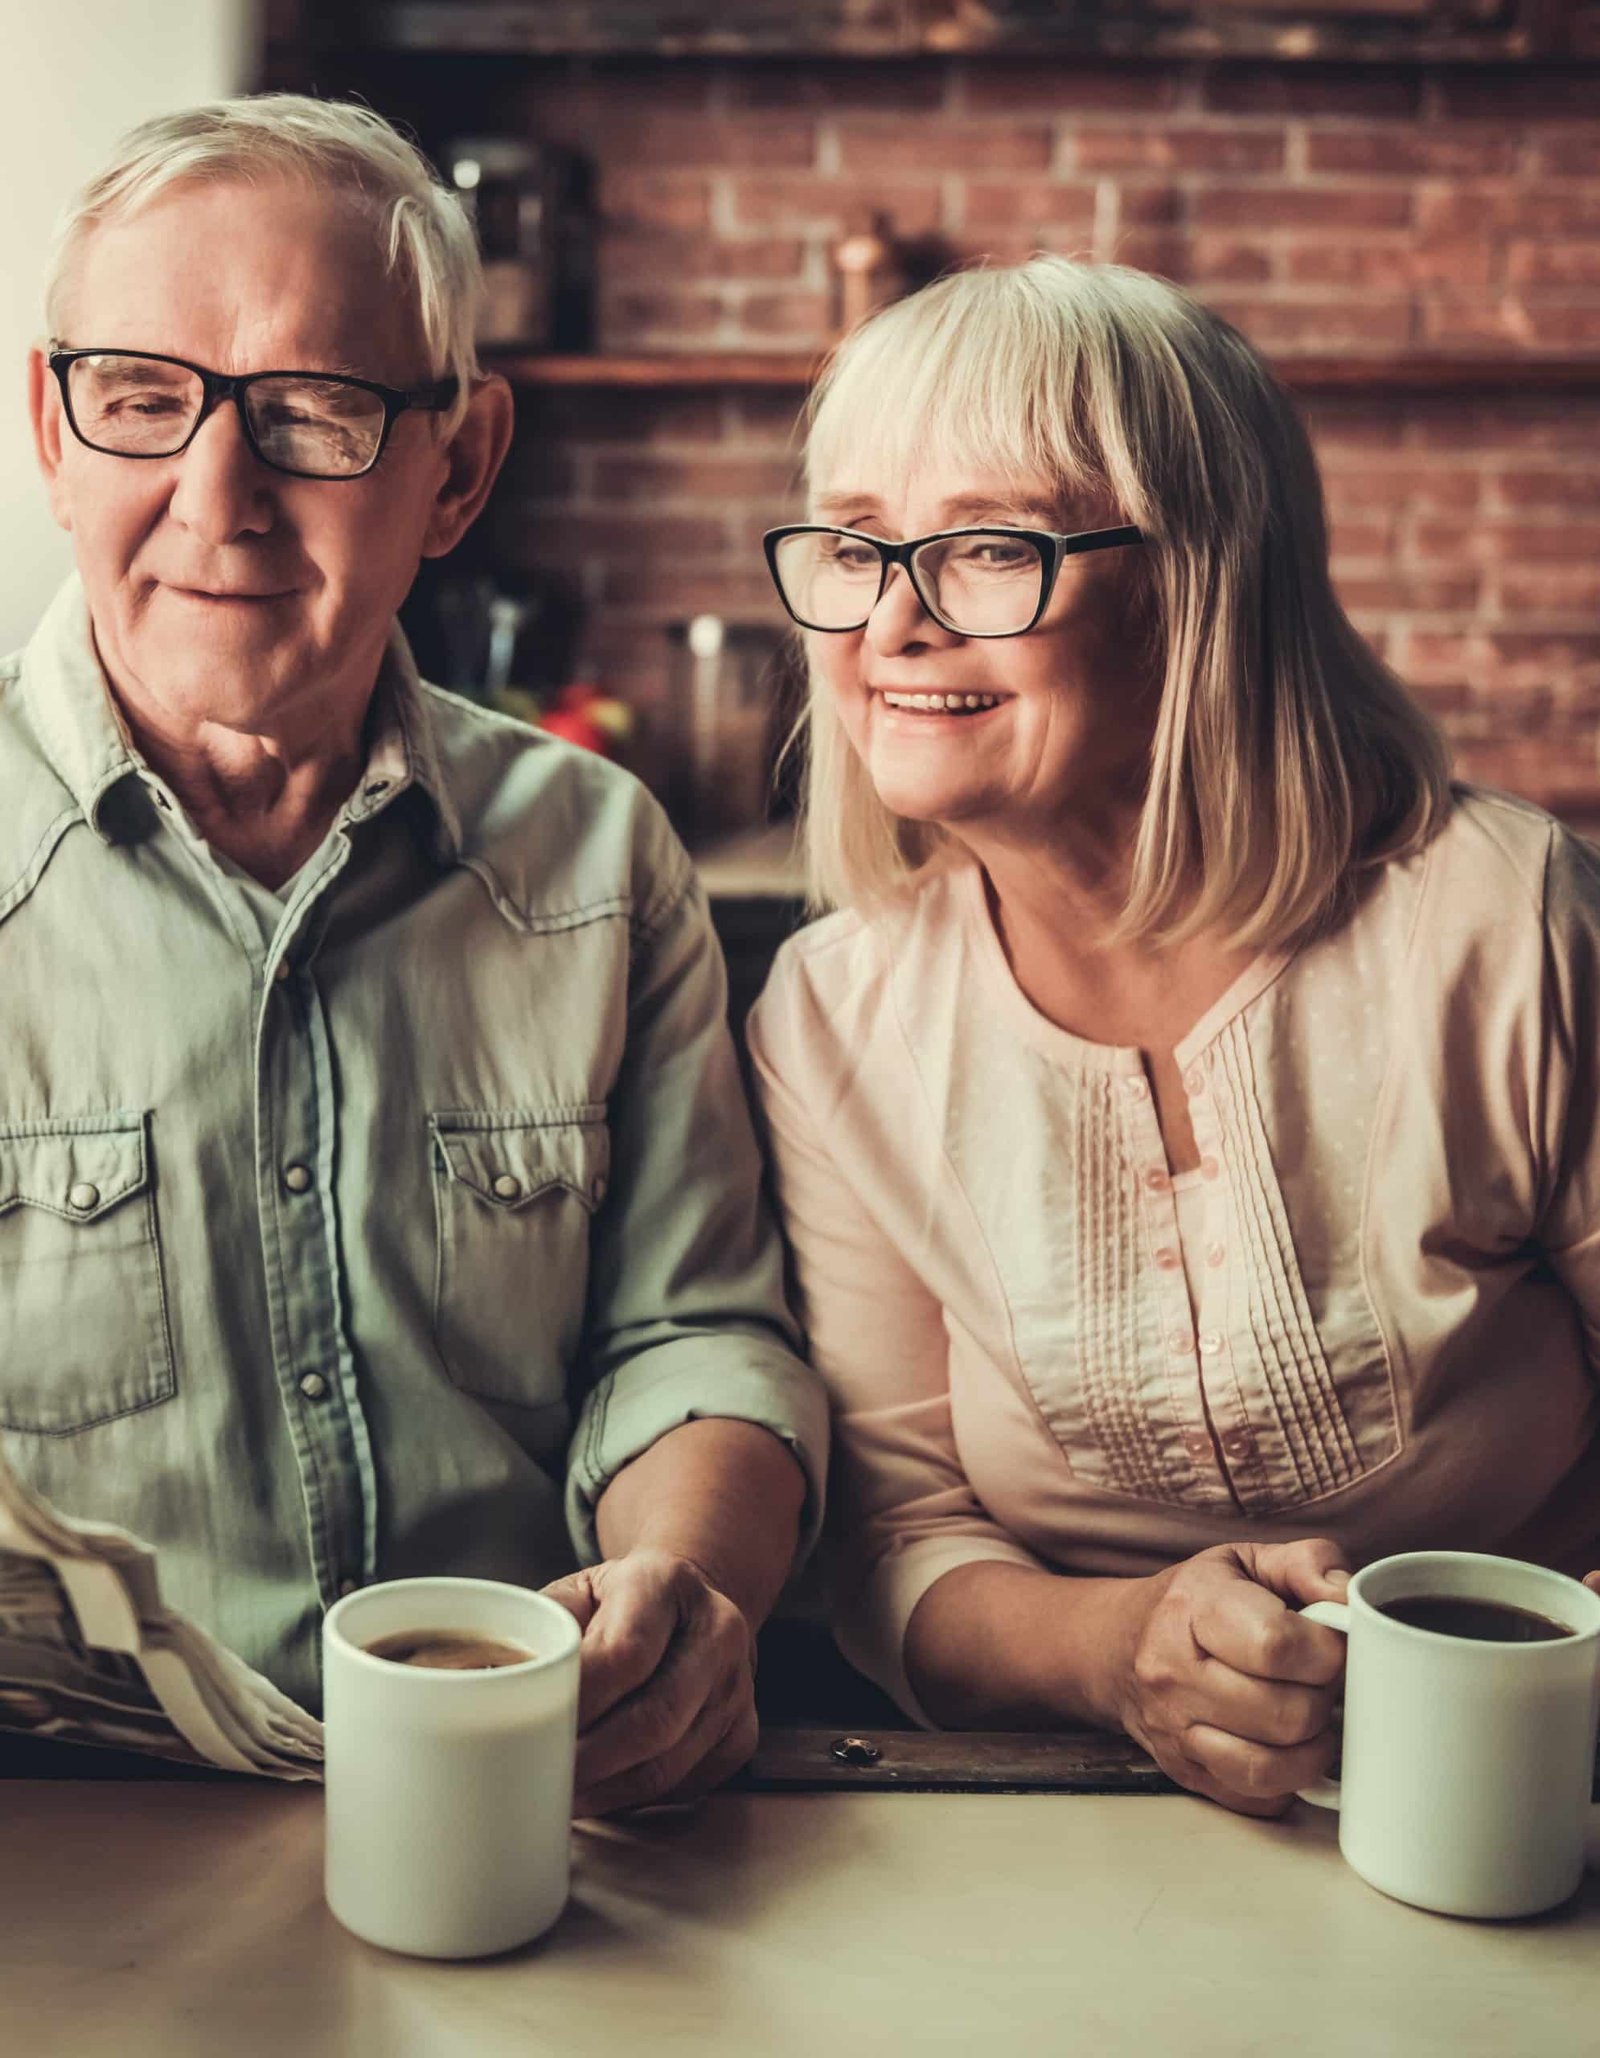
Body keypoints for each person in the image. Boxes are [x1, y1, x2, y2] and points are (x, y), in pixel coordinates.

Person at [2, 93, 826, 1814]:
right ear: (51, 429)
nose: (217, 496)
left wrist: (689, 1603)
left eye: (312, 411)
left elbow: (695, 1337)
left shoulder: (600, 858)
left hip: (529, 1797)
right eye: (144, 401)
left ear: (458, 467)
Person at [748, 253, 1600, 1818]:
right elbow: (896, 1537)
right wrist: (1119, 1646)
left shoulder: (1505, 917)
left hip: (1537, 1779)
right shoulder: (831, 1014)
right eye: (860, 547)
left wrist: (1518, 1697)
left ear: (1202, 583)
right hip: (1065, 1795)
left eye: (990, 548)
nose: (896, 624)